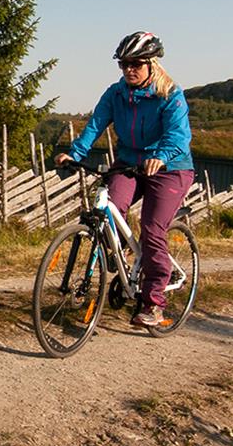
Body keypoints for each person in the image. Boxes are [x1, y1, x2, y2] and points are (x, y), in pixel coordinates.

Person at [55, 31, 194, 328]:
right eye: (123, 64)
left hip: (170, 167)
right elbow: (95, 125)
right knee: (110, 210)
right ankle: (126, 263)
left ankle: (153, 302)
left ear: (151, 64)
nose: (129, 69)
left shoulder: (170, 94)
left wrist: (161, 156)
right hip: (130, 162)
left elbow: (179, 136)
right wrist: (76, 154)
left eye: (136, 63)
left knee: (152, 229)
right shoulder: (115, 94)